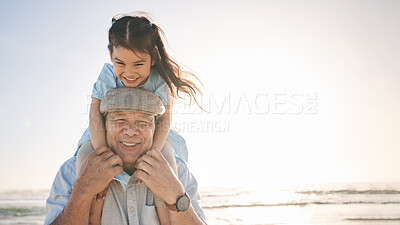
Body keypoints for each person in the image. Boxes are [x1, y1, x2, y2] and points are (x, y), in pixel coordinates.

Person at [75, 12, 202, 224]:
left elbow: (166, 120)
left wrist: (154, 152)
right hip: (99, 132)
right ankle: (93, 212)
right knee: (85, 161)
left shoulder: (159, 80)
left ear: (152, 58)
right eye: (120, 63)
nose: (129, 72)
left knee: (167, 164)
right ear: (110, 55)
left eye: (138, 64)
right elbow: (94, 114)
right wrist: (101, 153)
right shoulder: (107, 75)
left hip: (157, 135)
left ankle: (165, 215)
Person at [45, 88, 207, 225]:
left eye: (143, 121)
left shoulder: (178, 173)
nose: (130, 130)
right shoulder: (71, 171)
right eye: (119, 119)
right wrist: (82, 193)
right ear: (104, 126)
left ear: (155, 129)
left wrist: (177, 197)